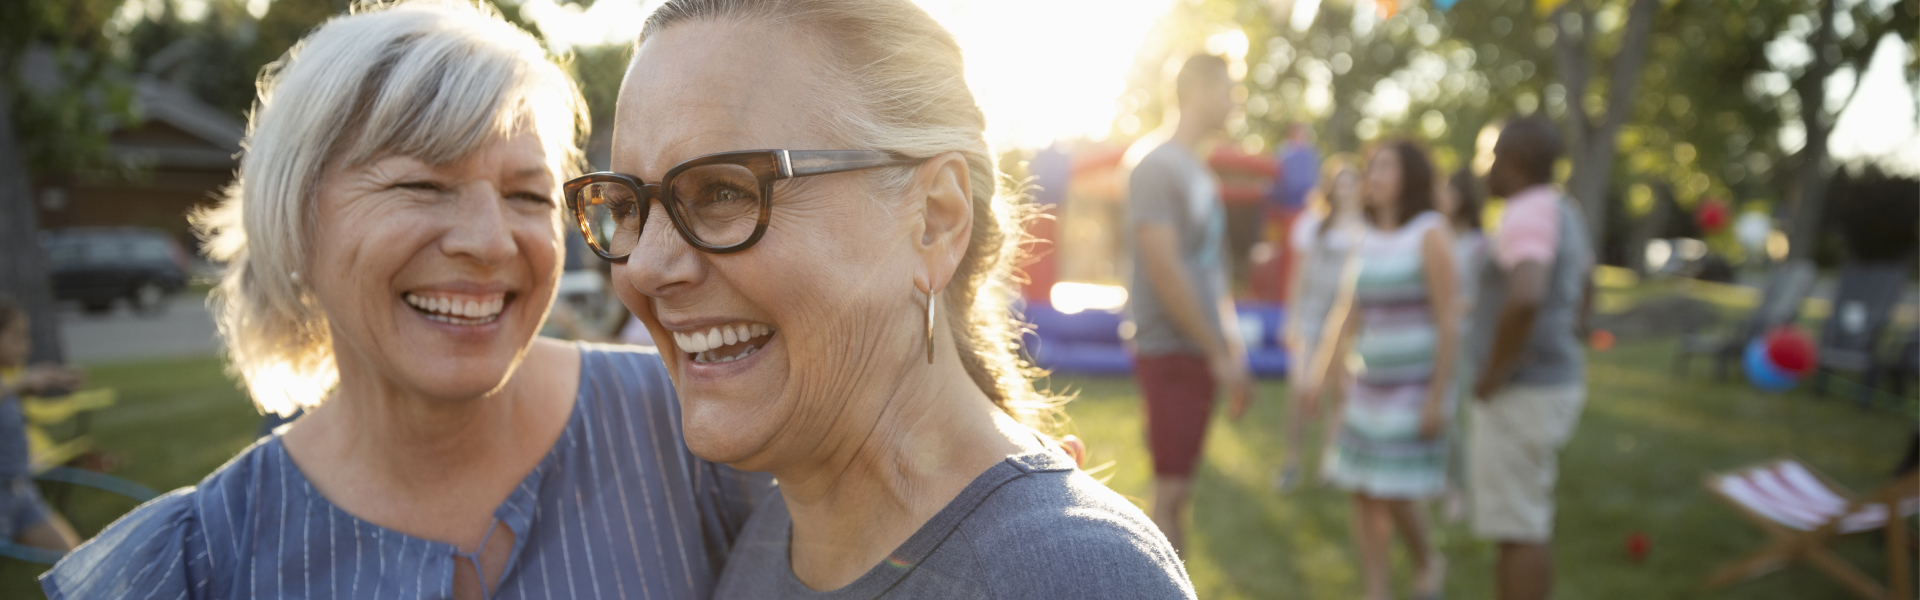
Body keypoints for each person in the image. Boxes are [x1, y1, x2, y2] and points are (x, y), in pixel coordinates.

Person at [41, 3, 765, 598]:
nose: (490, 241)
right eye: (421, 185)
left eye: (526, 195)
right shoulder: (197, 565)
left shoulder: (687, 430)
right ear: (293, 220)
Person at [589, 0, 1195, 598]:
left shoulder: (1069, 578)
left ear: (935, 219)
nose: (644, 266)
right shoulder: (772, 533)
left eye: (723, 191)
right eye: (622, 206)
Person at [1305, 141, 1457, 600]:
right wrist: (1320, 376)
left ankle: (1428, 560)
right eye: (1371, 167)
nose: (1373, 174)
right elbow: (1346, 314)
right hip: (1368, 389)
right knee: (1363, 489)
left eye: (1384, 165)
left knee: (1394, 489)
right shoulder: (1364, 239)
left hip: (1413, 391)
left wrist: (1436, 398)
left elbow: (1450, 321)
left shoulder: (1429, 232)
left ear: (1409, 175)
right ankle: (1377, 590)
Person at [1122, 53, 1255, 554]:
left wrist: (1231, 353)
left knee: (1180, 491)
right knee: (1171, 493)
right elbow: (1166, 269)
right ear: (1196, 88)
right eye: (1229, 88)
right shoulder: (1154, 164)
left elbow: (1211, 277)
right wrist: (1216, 351)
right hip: (1171, 349)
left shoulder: (1200, 172)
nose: (1234, 101)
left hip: (1198, 349)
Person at [1465, 116, 1594, 600]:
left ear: (1513, 163)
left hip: (1523, 392)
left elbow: (1526, 297)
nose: (1482, 170)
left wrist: (1494, 373)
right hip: (1553, 383)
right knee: (1524, 521)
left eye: (1488, 156)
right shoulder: (1564, 209)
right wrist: (1573, 331)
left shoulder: (1526, 211)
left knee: (1519, 529)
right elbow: (1587, 284)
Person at [1277, 154, 1364, 492]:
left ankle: (1331, 463)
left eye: (1351, 181)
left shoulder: (1367, 226)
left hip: (1346, 321)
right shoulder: (1312, 224)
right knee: (1302, 389)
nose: (1345, 188)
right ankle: (1292, 460)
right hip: (1312, 315)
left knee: (1340, 392)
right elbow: (1298, 276)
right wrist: (1292, 317)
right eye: (1339, 181)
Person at [0, 298, 84, 556]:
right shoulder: (11, 385)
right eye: (16, 337)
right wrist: (22, 384)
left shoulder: (8, 383)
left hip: (19, 491)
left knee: (74, 559)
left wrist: (45, 376)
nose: (25, 347)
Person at [1435, 166, 1487, 520]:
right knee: (1436, 410)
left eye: (1449, 191)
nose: (1442, 198)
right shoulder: (1435, 236)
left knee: (1453, 414)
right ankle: (1436, 481)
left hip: (1464, 338)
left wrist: (1452, 305)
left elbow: (1483, 298)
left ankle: (1458, 489)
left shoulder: (1480, 245)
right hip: (1434, 335)